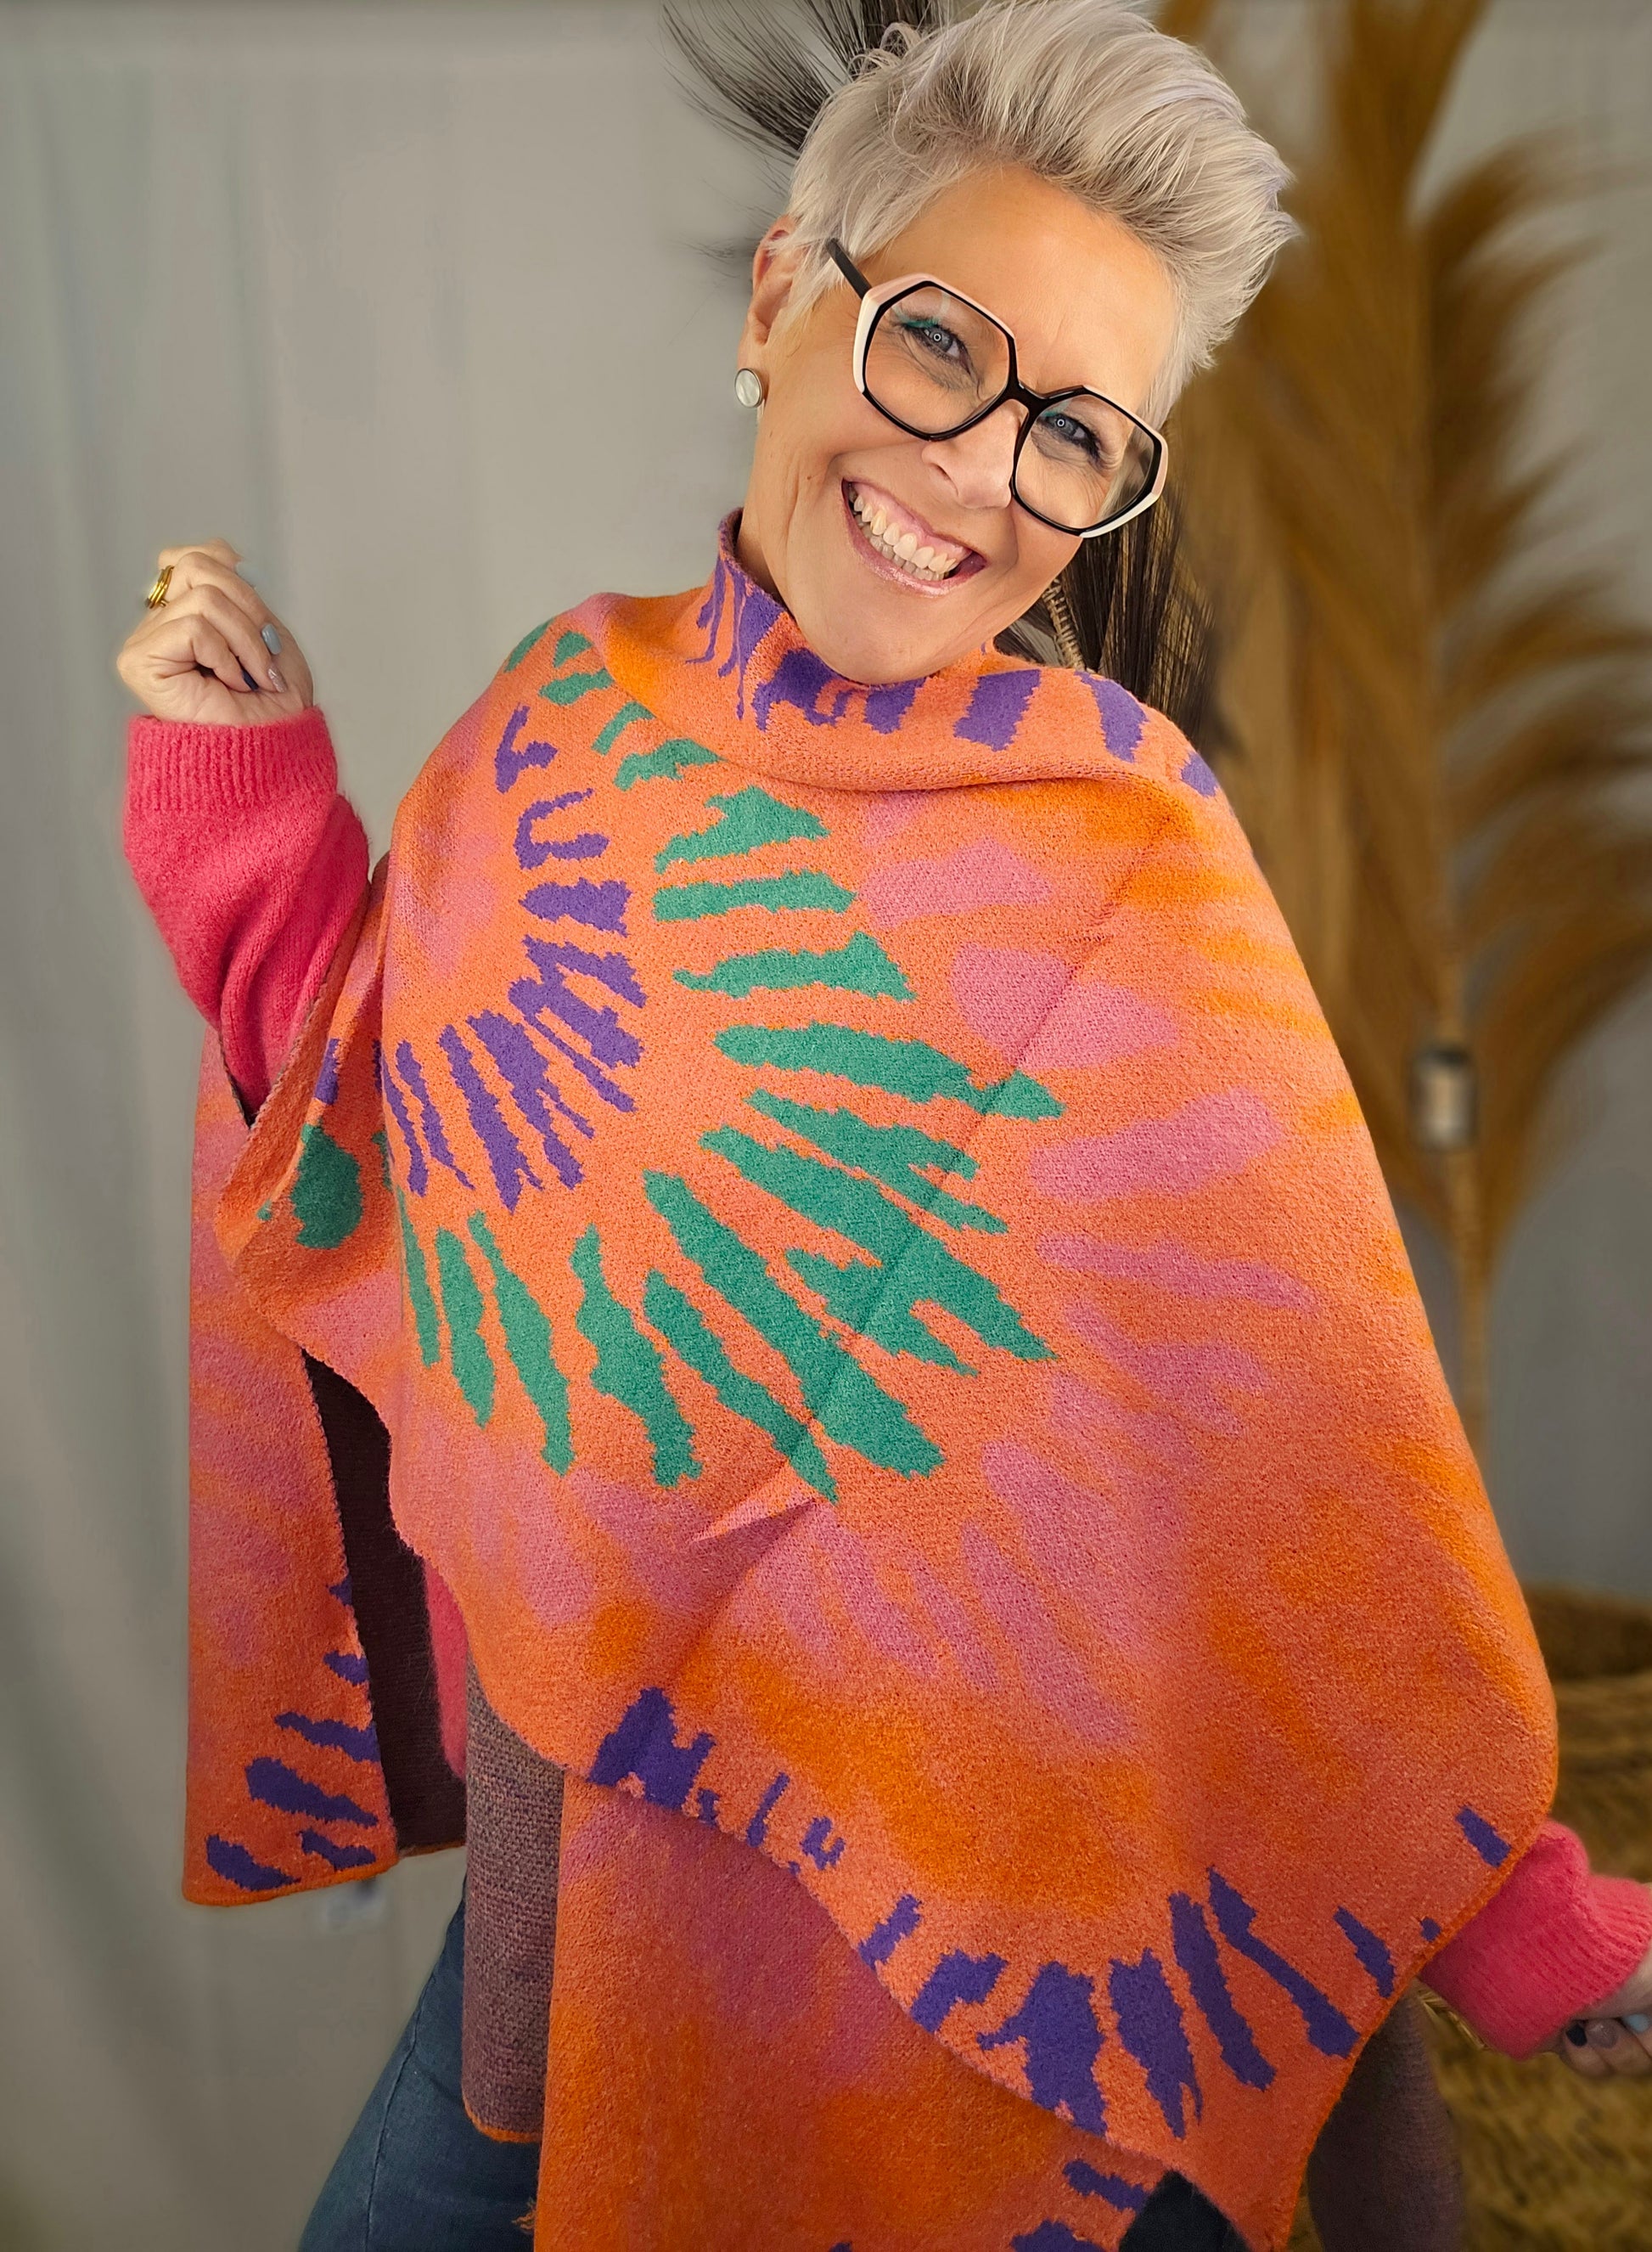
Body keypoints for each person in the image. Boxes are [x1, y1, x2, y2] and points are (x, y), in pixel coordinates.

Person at [115, 3, 1652, 2247]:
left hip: (1002, 1977)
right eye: (940, 343)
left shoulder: (1124, 851)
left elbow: (1314, 1458)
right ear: (779, 297)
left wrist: (1512, 1912)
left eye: (1076, 433)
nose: (980, 475)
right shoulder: (565, 723)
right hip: (587, 1906)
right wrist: (245, 810)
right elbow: (389, 1156)